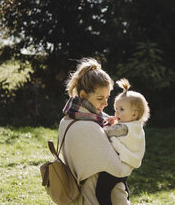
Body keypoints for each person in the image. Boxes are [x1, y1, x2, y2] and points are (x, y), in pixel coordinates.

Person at [58, 58, 132, 205]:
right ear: (84, 95)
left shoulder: (67, 119)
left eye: (107, 97)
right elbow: (119, 170)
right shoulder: (89, 127)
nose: (105, 103)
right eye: (100, 98)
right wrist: (134, 157)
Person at [96, 78, 150, 205]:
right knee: (122, 184)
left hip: (115, 167)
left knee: (101, 191)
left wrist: (105, 125)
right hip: (127, 166)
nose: (116, 112)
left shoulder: (124, 128)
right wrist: (113, 122)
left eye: (121, 109)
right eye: (116, 109)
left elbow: (105, 132)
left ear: (134, 114)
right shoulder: (135, 126)